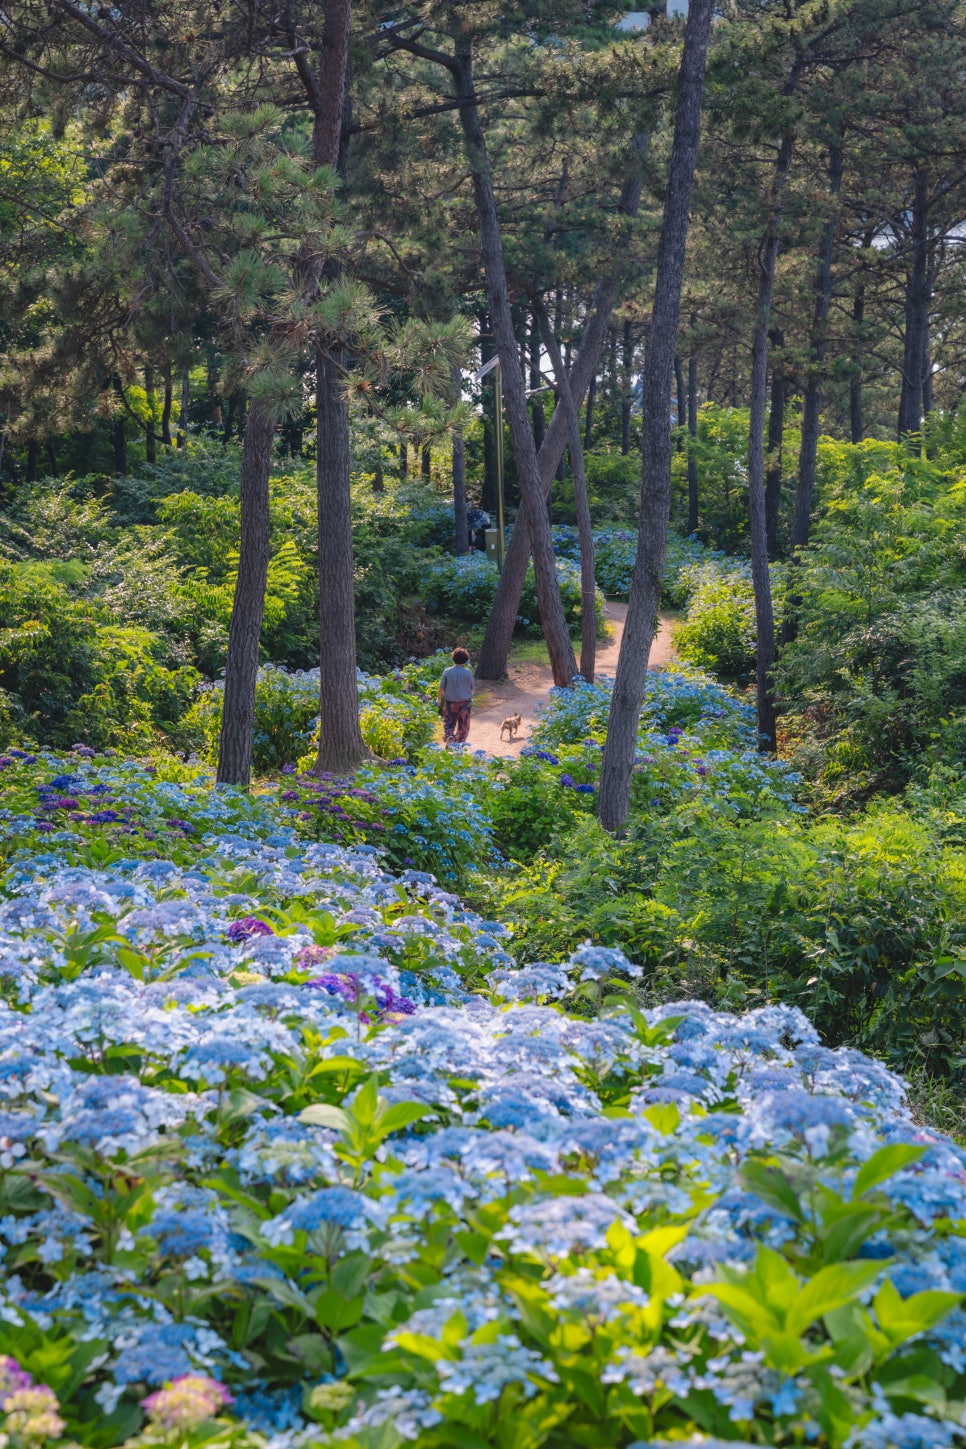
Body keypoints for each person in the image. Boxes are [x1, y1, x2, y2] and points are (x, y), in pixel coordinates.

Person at [437, 647, 475, 747]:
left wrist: (439, 699)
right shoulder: (468, 672)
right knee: (463, 726)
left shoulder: (447, 671)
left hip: (450, 703)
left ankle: (450, 736)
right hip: (465, 703)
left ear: (453, 658)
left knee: (449, 722)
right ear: (466, 660)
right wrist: (470, 696)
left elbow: (441, 688)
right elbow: (472, 689)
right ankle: (460, 743)